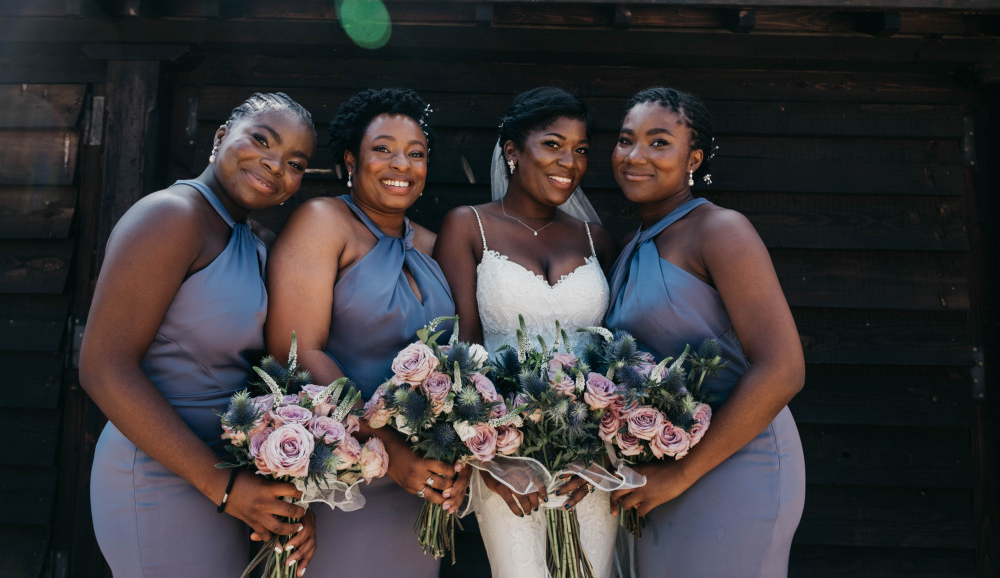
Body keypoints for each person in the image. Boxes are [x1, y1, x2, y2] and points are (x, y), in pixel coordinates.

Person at [82, 93, 319, 576]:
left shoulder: (253, 241)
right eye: (261, 141)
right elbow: (103, 369)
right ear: (219, 138)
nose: (275, 166)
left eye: (294, 163)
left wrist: (282, 489)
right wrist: (227, 488)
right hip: (158, 471)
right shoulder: (171, 216)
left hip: (226, 476)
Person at [605, 87, 806, 576]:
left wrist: (680, 474)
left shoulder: (720, 230)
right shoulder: (630, 245)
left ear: (693, 158)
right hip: (662, 466)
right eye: (626, 140)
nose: (635, 156)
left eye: (658, 143)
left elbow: (784, 369)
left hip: (738, 460)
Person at [265, 88, 458, 577]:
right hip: (344, 468)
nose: (402, 163)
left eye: (416, 154)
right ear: (351, 159)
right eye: (383, 149)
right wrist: (388, 451)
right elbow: (297, 350)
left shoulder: (436, 247)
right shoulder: (323, 220)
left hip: (421, 480)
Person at [434, 86, 618, 578]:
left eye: (581, 150)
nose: (570, 162)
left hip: (590, 460)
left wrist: (600, 451)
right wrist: (494, 461)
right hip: (508, 459)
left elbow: (613, 354)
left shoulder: (595, 239)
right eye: (553, 144)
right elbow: (464, 351)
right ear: (512, 151)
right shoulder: (467, 226)